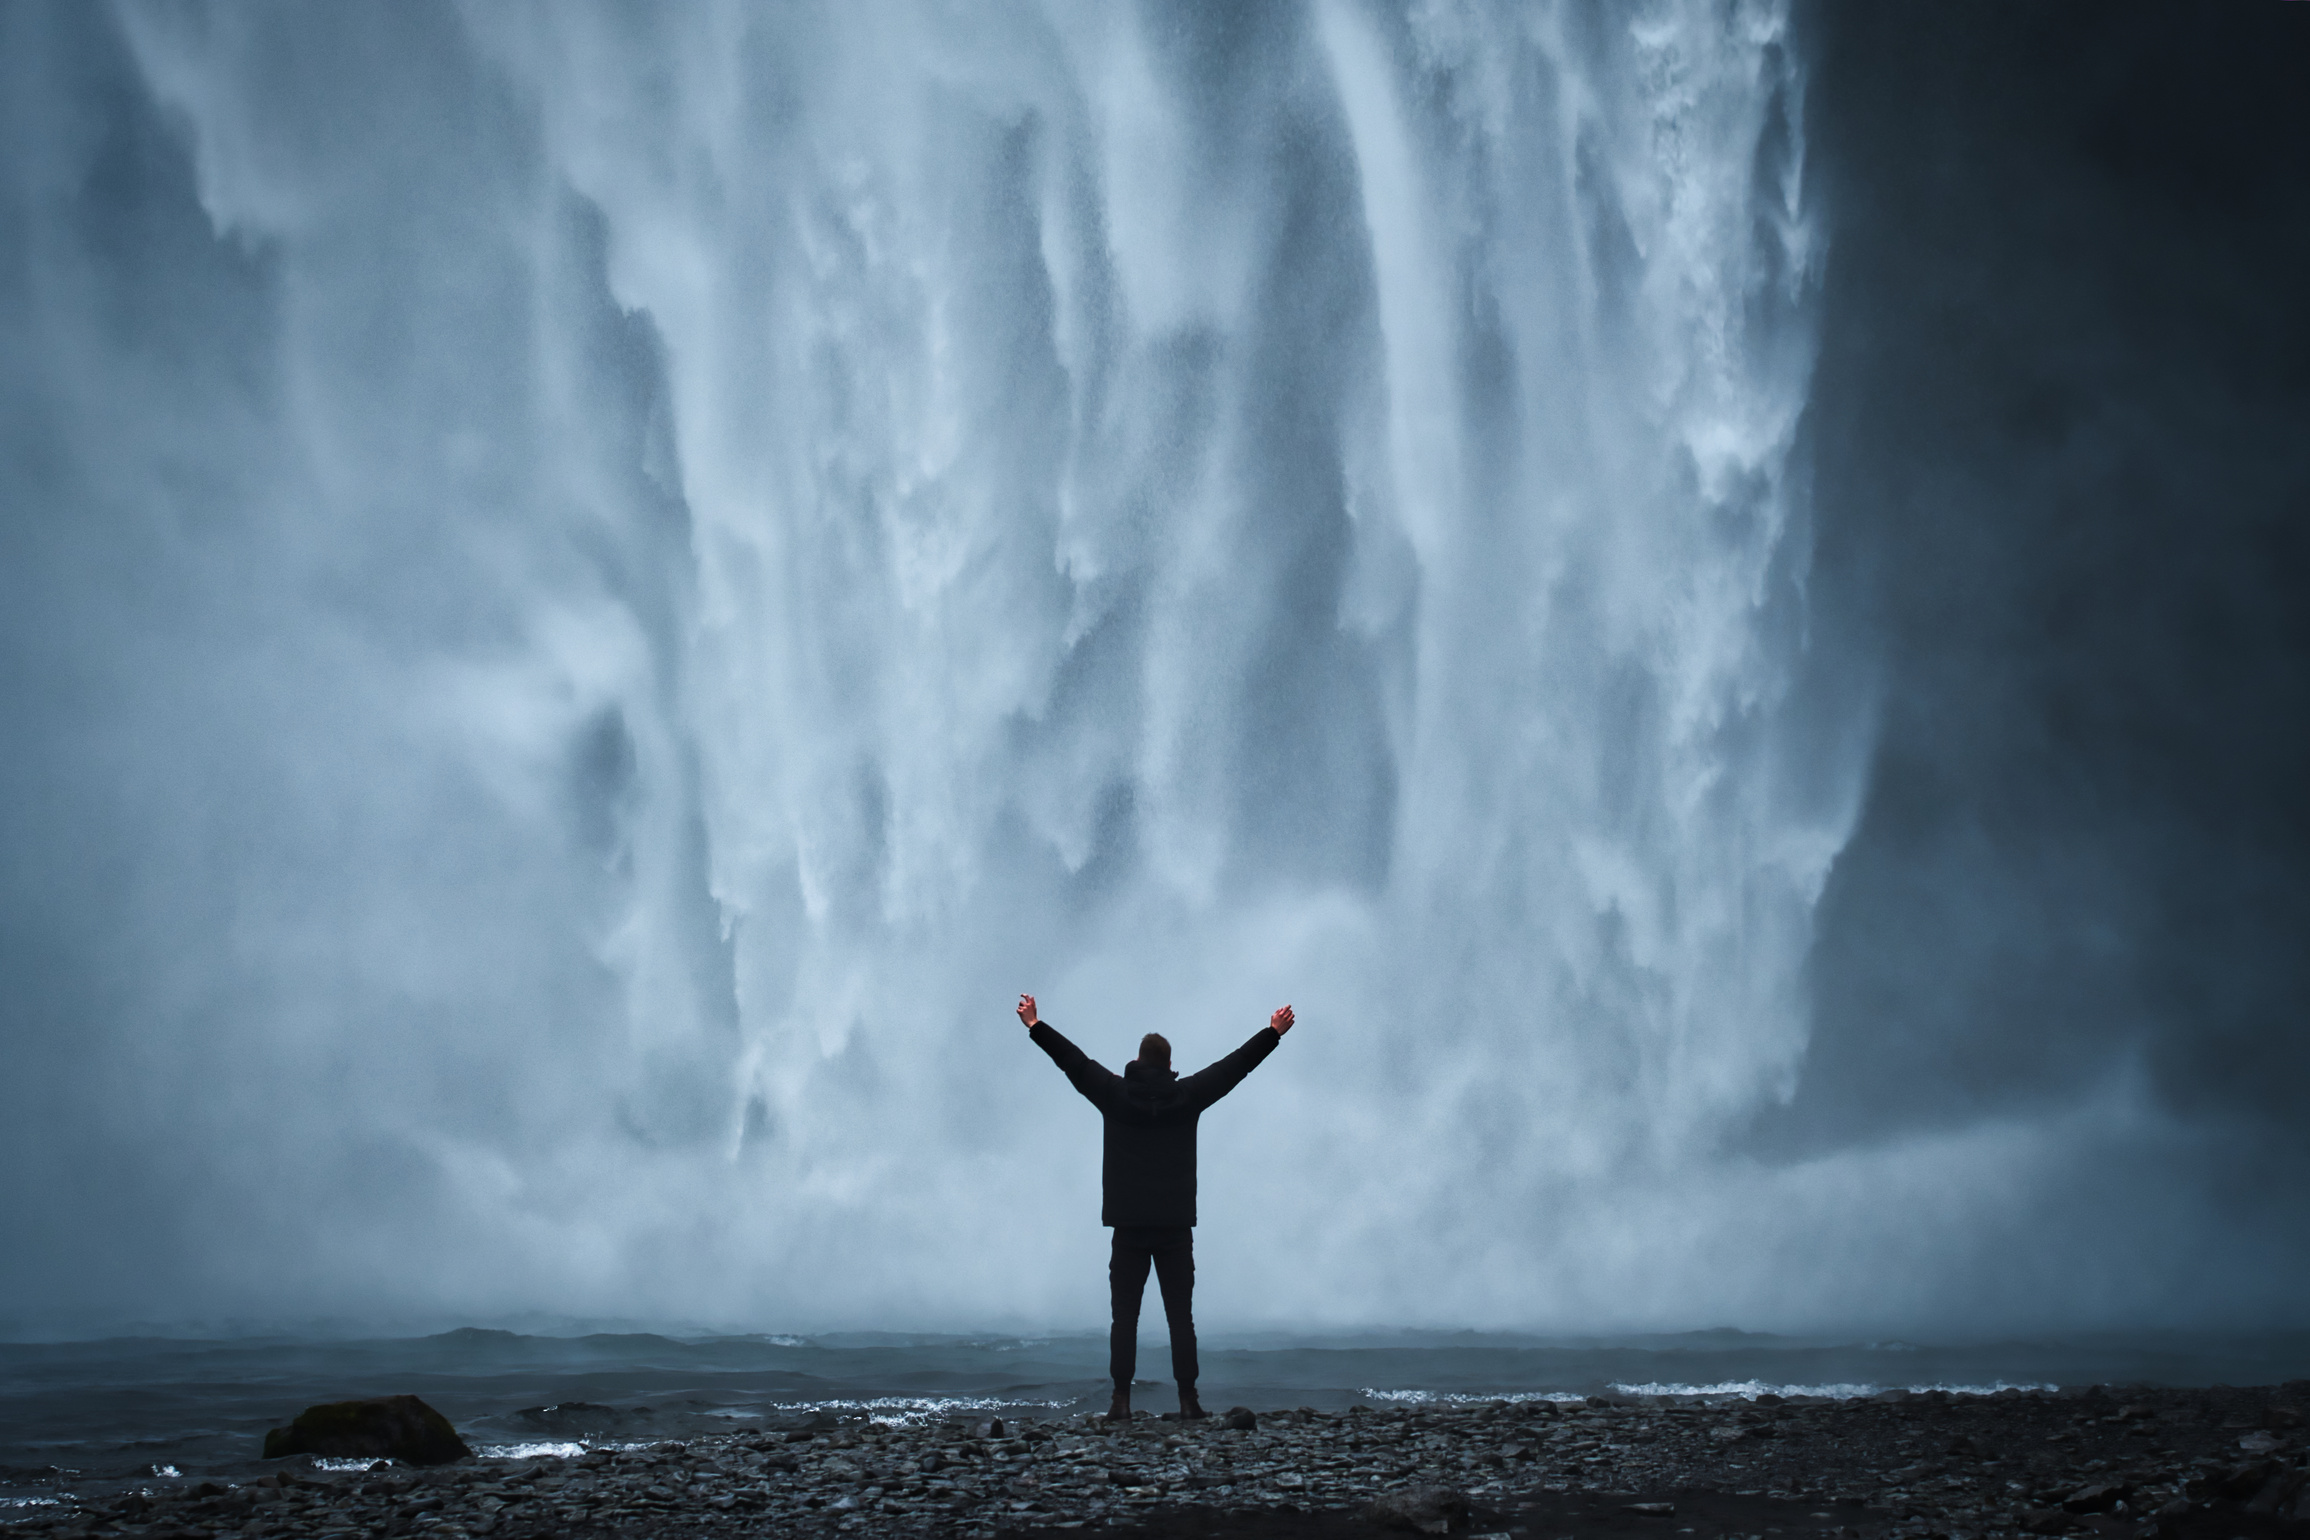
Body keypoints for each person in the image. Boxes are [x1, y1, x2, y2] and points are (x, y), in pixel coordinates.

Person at [1017, 991, 1294, 1422]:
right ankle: (1188, 1402)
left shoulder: (1112, 1093)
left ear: (1138, 1062)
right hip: (1174, 1228)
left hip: (1128, 1228)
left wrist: (1035, 1025)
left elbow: (1071, 1060)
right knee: (1180, 1319)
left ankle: (1120, 1403)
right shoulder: (1187, 1096)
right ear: (1168, 1065)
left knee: (1124, 1318)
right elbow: (1233, 1067)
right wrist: (1272, 1033)